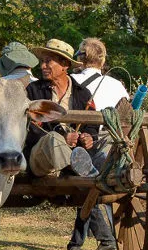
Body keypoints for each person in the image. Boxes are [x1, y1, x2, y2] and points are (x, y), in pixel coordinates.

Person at [66, 38, 131, 250]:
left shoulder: (70, 81)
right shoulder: (116, 85)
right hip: (113, 149)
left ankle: (104, 239)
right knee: (90, 184)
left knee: (87, 184)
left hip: (79, 142)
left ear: (80, 58)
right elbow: (127, 116)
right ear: (102, 60)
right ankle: (76, 244)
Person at [24, 39, 99, 180]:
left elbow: (92, 126)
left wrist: (88, 137)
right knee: (54, 139)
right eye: (42, 62)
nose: (42, 66)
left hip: (76, 154)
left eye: (48, 62)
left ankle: (80, 170)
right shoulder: (33, 91)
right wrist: (63, 138)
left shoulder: (83, 94)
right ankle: (85, 174)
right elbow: (29, 128)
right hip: (40, 159)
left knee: (107, 142)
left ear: (65, 64)